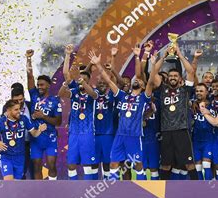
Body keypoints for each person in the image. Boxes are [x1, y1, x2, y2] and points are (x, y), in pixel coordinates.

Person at [89, 49, 157, 180]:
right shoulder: (122, 96)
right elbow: (109, 82)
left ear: (143, 86)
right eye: (135, 80)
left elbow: (151, 82)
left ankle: (141, 190)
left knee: (137, 164)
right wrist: (98, 64)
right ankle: (112, 190)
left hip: (134, 135)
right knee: (114, 163)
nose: (137, 81)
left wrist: (153, 65)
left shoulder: (144, 97)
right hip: (120, 135)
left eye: (140, 81)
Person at [150, 44, 198, 180]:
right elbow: (153, 75)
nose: (172, 77)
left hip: (182, 130)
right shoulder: (162, 89)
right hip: (166, 131)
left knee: (189, 164)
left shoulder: (185, 90)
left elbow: (191, 72)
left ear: (179, 79)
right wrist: (164, 57)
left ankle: (199, 192)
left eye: (175, 76)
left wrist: (180, 55)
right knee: (165, 165)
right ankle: (161, 193)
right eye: (170, 76)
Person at [58, 48, 99, 180]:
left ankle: (89, 190)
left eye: (84, 79)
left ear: (87, 80)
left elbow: (93, 95)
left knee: (88, 165)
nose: (81, 80)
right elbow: (61, 93)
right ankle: (73, 190)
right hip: (74, 132)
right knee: (71, 165)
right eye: (80, 78)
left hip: (87, 132)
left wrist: (81, 80)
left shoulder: (93, 91)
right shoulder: (74, 92)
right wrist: (68, 54)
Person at [26, 49, 62, 180]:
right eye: (38, 85)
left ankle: (52, 189)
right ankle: (39, 192)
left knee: (52, 166)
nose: (39, 86)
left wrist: (44, 117)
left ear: (48, 86)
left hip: (50, 138)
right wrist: (28, 59)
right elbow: (29, 77)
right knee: (36, 167)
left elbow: (58, 122)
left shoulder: (55, 100)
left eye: (42, 85)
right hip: (36, 139)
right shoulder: (34, 95)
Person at [0, 100, 47, 180]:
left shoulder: (24, 119)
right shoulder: (0, 122)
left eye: (19, 109)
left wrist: (39, 130)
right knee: (9, 182)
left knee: (16, 185)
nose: (19, 111)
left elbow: (34, 134)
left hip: (20, 157)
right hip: (6, 156)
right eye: (16, 110)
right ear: (8, 110)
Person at [9, 86, 34, 179]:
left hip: (31, 143)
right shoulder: (7, 108)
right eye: (16, 100)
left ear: (24, 97)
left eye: (21, 99)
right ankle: (19, 191)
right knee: (19, 172)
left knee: (34, 170)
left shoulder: (30, 105)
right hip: (16, 145)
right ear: (11, 99)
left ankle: (35, 191)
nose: (19, 102)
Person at [191, 83, 214, 180]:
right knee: (197, 167)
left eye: (201, 91)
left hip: (208, 140)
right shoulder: (191, 105)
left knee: (206, 164)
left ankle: (209, 189)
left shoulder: (212, 105)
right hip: (195, 140)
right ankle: (200, 190)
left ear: (206, 92)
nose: (198, 93)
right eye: (197, 91)